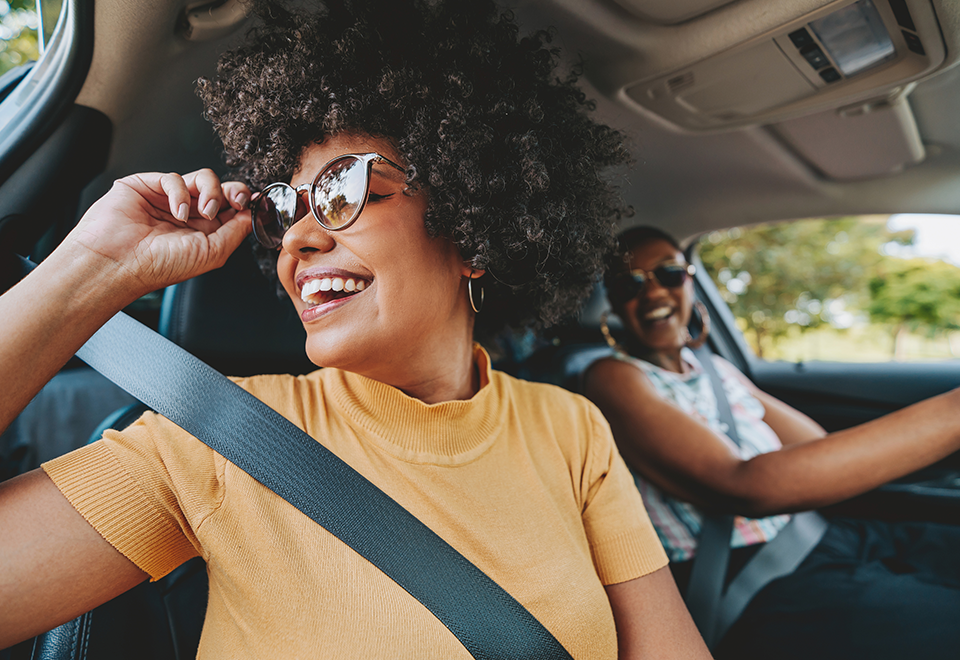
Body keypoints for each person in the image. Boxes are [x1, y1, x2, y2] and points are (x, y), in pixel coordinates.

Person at [0, 2, 712, 658]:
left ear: (474, 232)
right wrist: (90, 272)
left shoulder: (570, 431)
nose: (297, 240)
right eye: (287, 207)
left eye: (343, 191)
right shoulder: (213, 440)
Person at [583, 225, 960, 660]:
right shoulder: (612, 378)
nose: (652, 294)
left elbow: (815, 447)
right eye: (629, 283)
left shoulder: (713, 368)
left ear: (688, 280)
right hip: (753, 580)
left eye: (669, 274)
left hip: (821, 536)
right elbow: (744, 485)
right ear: (611, 303)